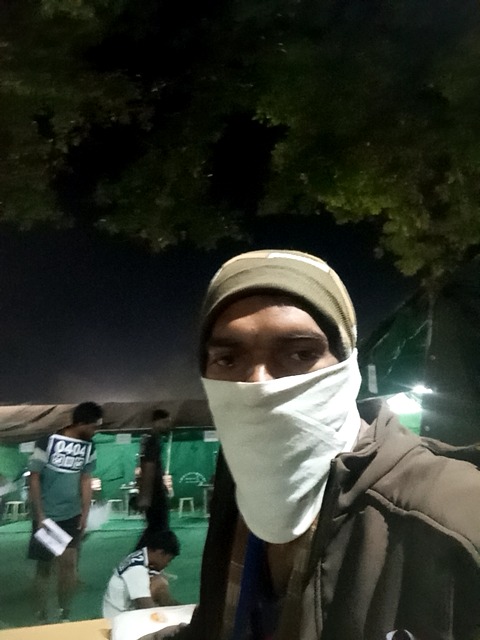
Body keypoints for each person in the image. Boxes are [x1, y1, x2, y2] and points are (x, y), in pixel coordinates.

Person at [141, 249, 480, 640]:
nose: (258, 383)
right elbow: (219, 625)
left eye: (300, 354)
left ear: (347, 366)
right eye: (228, 359)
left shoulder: (453, 522)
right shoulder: (241, 490)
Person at [28, 401, 103, 622]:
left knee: (68, 565)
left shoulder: (89, 447)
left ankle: (64, 614)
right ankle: (41, 614)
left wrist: (85, 514)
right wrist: (40, 515)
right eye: (93, 427)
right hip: (47, 517)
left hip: (72, 516)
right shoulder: (46, 442)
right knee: (45, 567)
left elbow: (86, 479)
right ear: (81, 423)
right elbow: (34, 478)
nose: (95, 431)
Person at [102, 529, 180, 618]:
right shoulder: (137, 570)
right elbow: (146, 606)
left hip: (117, 613)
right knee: (159, 583)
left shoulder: (140, 556)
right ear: (160, 553)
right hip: (119, 619)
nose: (167, 564)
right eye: (169, 560)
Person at [136, 409, 173, 547]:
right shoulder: (152, 441)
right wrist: (145, 497)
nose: (168, 425)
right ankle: (139, 555)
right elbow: (149, 468)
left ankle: (141, 555)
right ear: (156, 422)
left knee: (155, 529)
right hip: (155, 495)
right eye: (165, 422)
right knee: (158, 530)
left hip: (155, 493)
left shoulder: (152, 440)